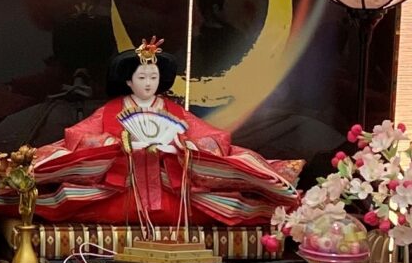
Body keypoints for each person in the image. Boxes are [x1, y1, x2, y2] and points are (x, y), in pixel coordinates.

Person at [29, 39, 298, 232]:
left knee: (217, 206)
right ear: (128, 81)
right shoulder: (110, 112)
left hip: (170, 188)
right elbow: (77, 137)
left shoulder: (174, 112)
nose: (148, 83)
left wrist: (179, 147)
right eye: (142, 77)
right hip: (122, 188)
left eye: (153, 77)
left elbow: (215, 139)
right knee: (81, 202)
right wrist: (117, 144)